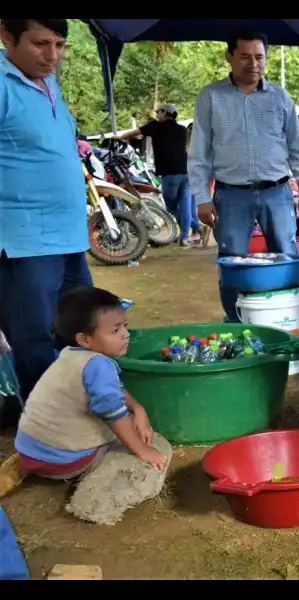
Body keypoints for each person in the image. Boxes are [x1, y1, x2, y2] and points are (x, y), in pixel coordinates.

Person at [0, 19, 93, 422]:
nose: (52, 57)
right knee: (34, 338)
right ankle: (46, 430)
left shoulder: (48, 84)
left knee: (81, 329)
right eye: (40, 45)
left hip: (69, 238)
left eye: (60, 45)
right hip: (24, 241)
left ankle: (79, 411)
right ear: (6, 36)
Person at [189, 27, 299, 323]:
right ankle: (236, 322)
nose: (253, 64)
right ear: (229, 57)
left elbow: (298, 149)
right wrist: (202, 199)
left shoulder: (280, 98)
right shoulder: (210, 97)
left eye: (259, 57)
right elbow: (199, 154)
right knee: (233, 262)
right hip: (231, 195)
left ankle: (287, 319)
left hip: (278, 192)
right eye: (245, 57)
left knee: (286, 256)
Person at [14, 286, 167, 483]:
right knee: (147, 442)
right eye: (115, 330)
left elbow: (112, 390)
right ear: (84, 338)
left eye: (125, 326)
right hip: (64, 460)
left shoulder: (70, 354)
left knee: (127, 419)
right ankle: (91, 489)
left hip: (31, 452)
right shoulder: (99, 365)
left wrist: (138, 408)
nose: (125, 334)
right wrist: (142, 450)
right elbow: (113, 412)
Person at [118, 103, 208, 248]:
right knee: (185, 204)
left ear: (164, 112)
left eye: (158, 112)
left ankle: (195, 226)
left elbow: (130, 134)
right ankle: (185, 238)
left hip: (169, 172)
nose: (156, 114)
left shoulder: (154, 126)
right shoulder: (182, 130)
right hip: (187, 170)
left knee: (171, 206)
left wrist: (118, 138)